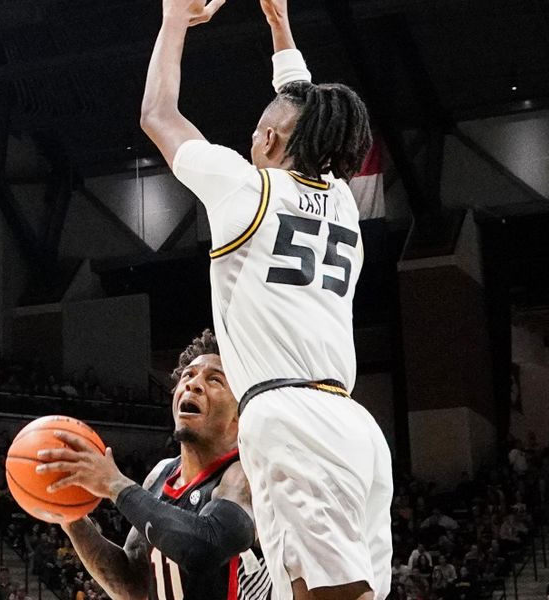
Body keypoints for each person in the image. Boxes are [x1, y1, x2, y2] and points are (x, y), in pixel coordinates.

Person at [139, 0, 393, 598]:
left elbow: (158, 114)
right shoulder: (341, 203)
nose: (252, 132)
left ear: (271, 137)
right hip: (354, 425)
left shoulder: (243, 188)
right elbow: (304, 101)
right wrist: (280, 27)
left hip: (288, 417)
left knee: (320, 595)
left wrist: (175, 18)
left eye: (260, 125)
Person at [37, 330, 271, 599]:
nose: (193, 385)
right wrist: (72, 517)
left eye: (214, 379)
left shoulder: (248, 475)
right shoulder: (160, 475)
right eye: (188, 375)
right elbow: (132, 585)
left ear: (239, 414)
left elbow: (204, 549)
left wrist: (116, 485)